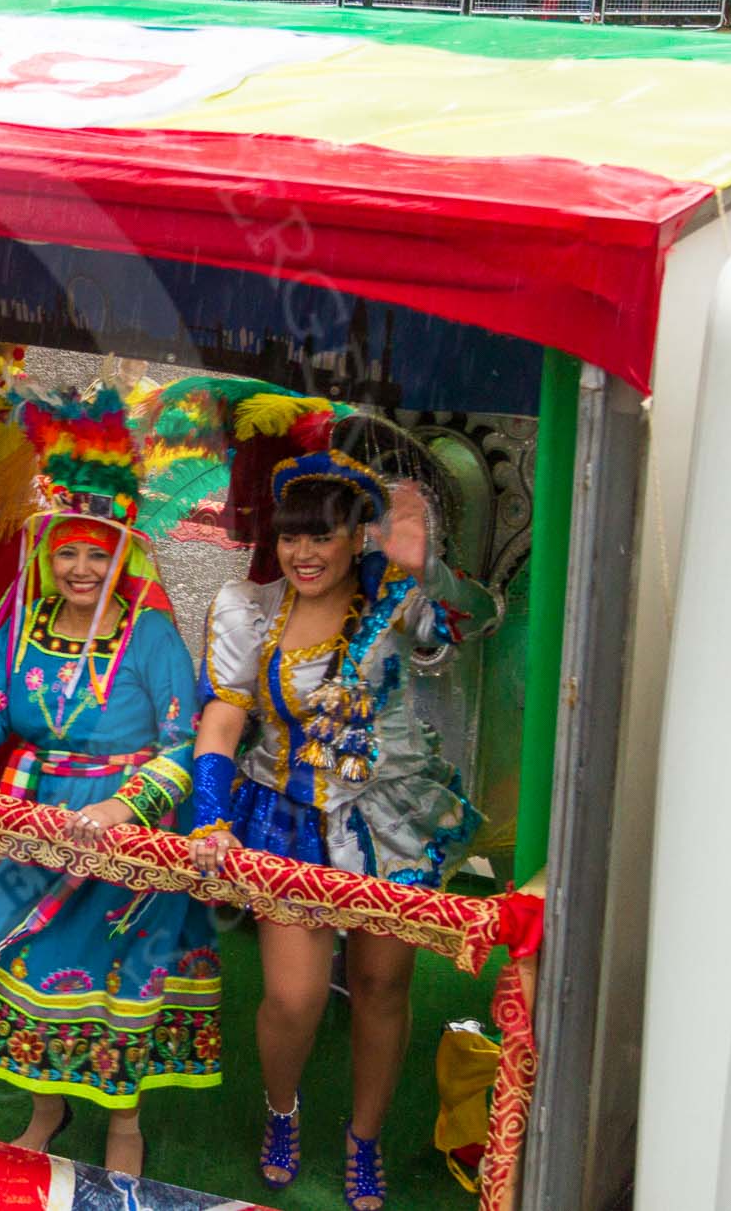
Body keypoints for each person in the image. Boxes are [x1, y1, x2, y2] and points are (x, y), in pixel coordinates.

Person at [0, 387, 220, 1175]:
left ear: (123, 556)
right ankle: (46, 1106)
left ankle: (124, 1128)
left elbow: (186, 744)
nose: (78, 567)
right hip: (35, 826)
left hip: (127, 841)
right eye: (66, 551)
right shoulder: (23, 628)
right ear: (46, 554)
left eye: (95, 553)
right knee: (27, 968)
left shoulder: (153, 637)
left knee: (117, 982)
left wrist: (122, 805)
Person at [188, 425, 496, 1211]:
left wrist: (427, 565)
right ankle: (282, 1112)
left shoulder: (398, 600)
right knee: (292, 997)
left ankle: (363, 1138)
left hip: (388, 822)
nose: (304, 552)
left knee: (380, 983)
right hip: (286, 819)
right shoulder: (247, 611)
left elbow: (477, 616)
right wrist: (212, 814)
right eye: (292, 535)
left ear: (356, 533)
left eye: (322, 534)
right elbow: (223, 716)